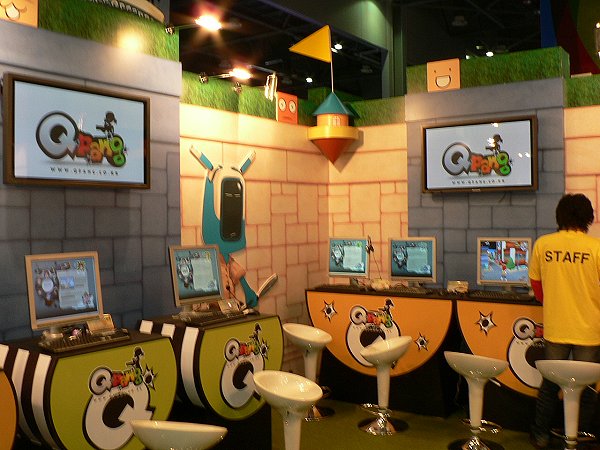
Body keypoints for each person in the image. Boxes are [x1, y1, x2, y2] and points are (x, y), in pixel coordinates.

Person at [529, 193, 600, 449]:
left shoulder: (543, 245)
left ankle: (540, 436)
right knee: (587, 388)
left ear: (559, 216)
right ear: (588, 218)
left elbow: (537, 289)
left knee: (549, 386)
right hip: (590, 330)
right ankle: (577, 436)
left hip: (556, 327)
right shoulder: (596, 248)